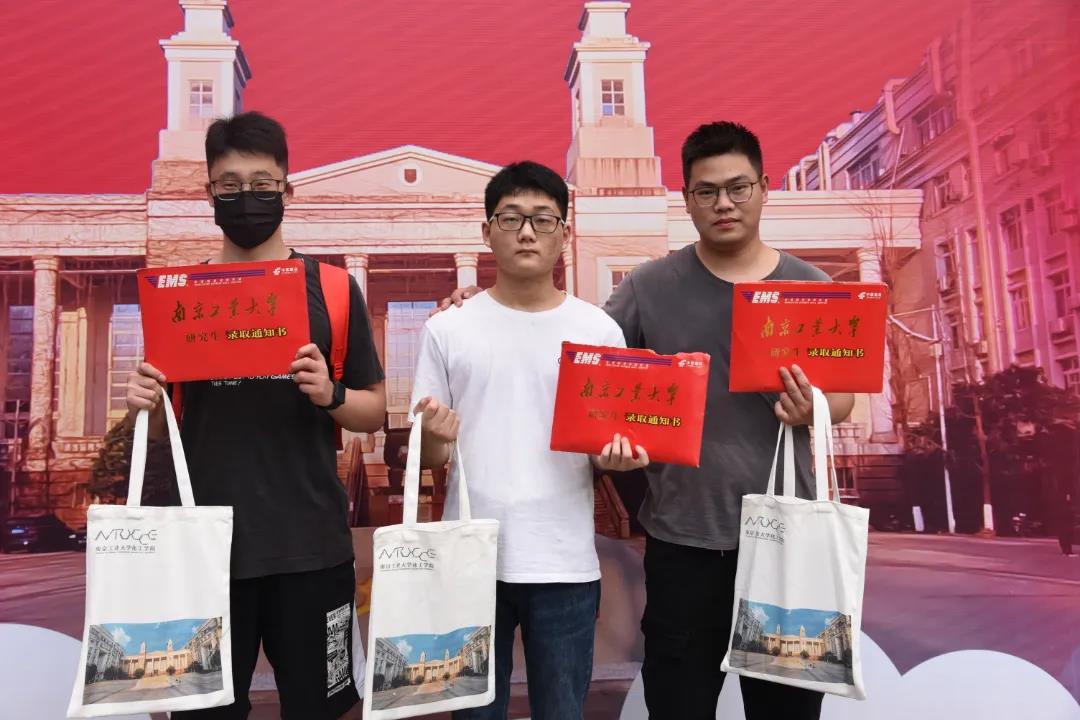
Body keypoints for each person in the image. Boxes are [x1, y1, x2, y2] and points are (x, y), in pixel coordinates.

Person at [436, 122, 855, 720]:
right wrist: (478, 308)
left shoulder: (810, 287)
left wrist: (817, 407)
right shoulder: (649, 286)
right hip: (683, 539)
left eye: (738, 187)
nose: (724, 203)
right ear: (686, 199)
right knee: (679, 704)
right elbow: (580, 351)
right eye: (706, 191)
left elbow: (842, 400)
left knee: (786, 710)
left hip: (789, 541)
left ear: (764, 188)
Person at [125, 111, 385, 719]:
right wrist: (145, 401)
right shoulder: (180, 297)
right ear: (209, 193)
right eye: (231, 185)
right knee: (205, 714)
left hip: (312, 550)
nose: (247, 197)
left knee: (319, 709)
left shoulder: (333, 288)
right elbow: (166, 424)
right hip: (204, 555)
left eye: (263, 184)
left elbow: (373, 411)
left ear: (287, 189)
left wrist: (331, 394)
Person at [411, 161, 648, 720]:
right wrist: (436, 439)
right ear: (486, 231)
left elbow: (609, 445)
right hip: (471, 560)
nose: (526, 232)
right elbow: (428, 454)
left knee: (562, 711)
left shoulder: (598, 331)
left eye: (543, 219)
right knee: (474, 714)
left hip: (564, 560)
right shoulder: (448, 328)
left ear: (564, 233)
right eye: (510, 218)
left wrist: (615, 459)